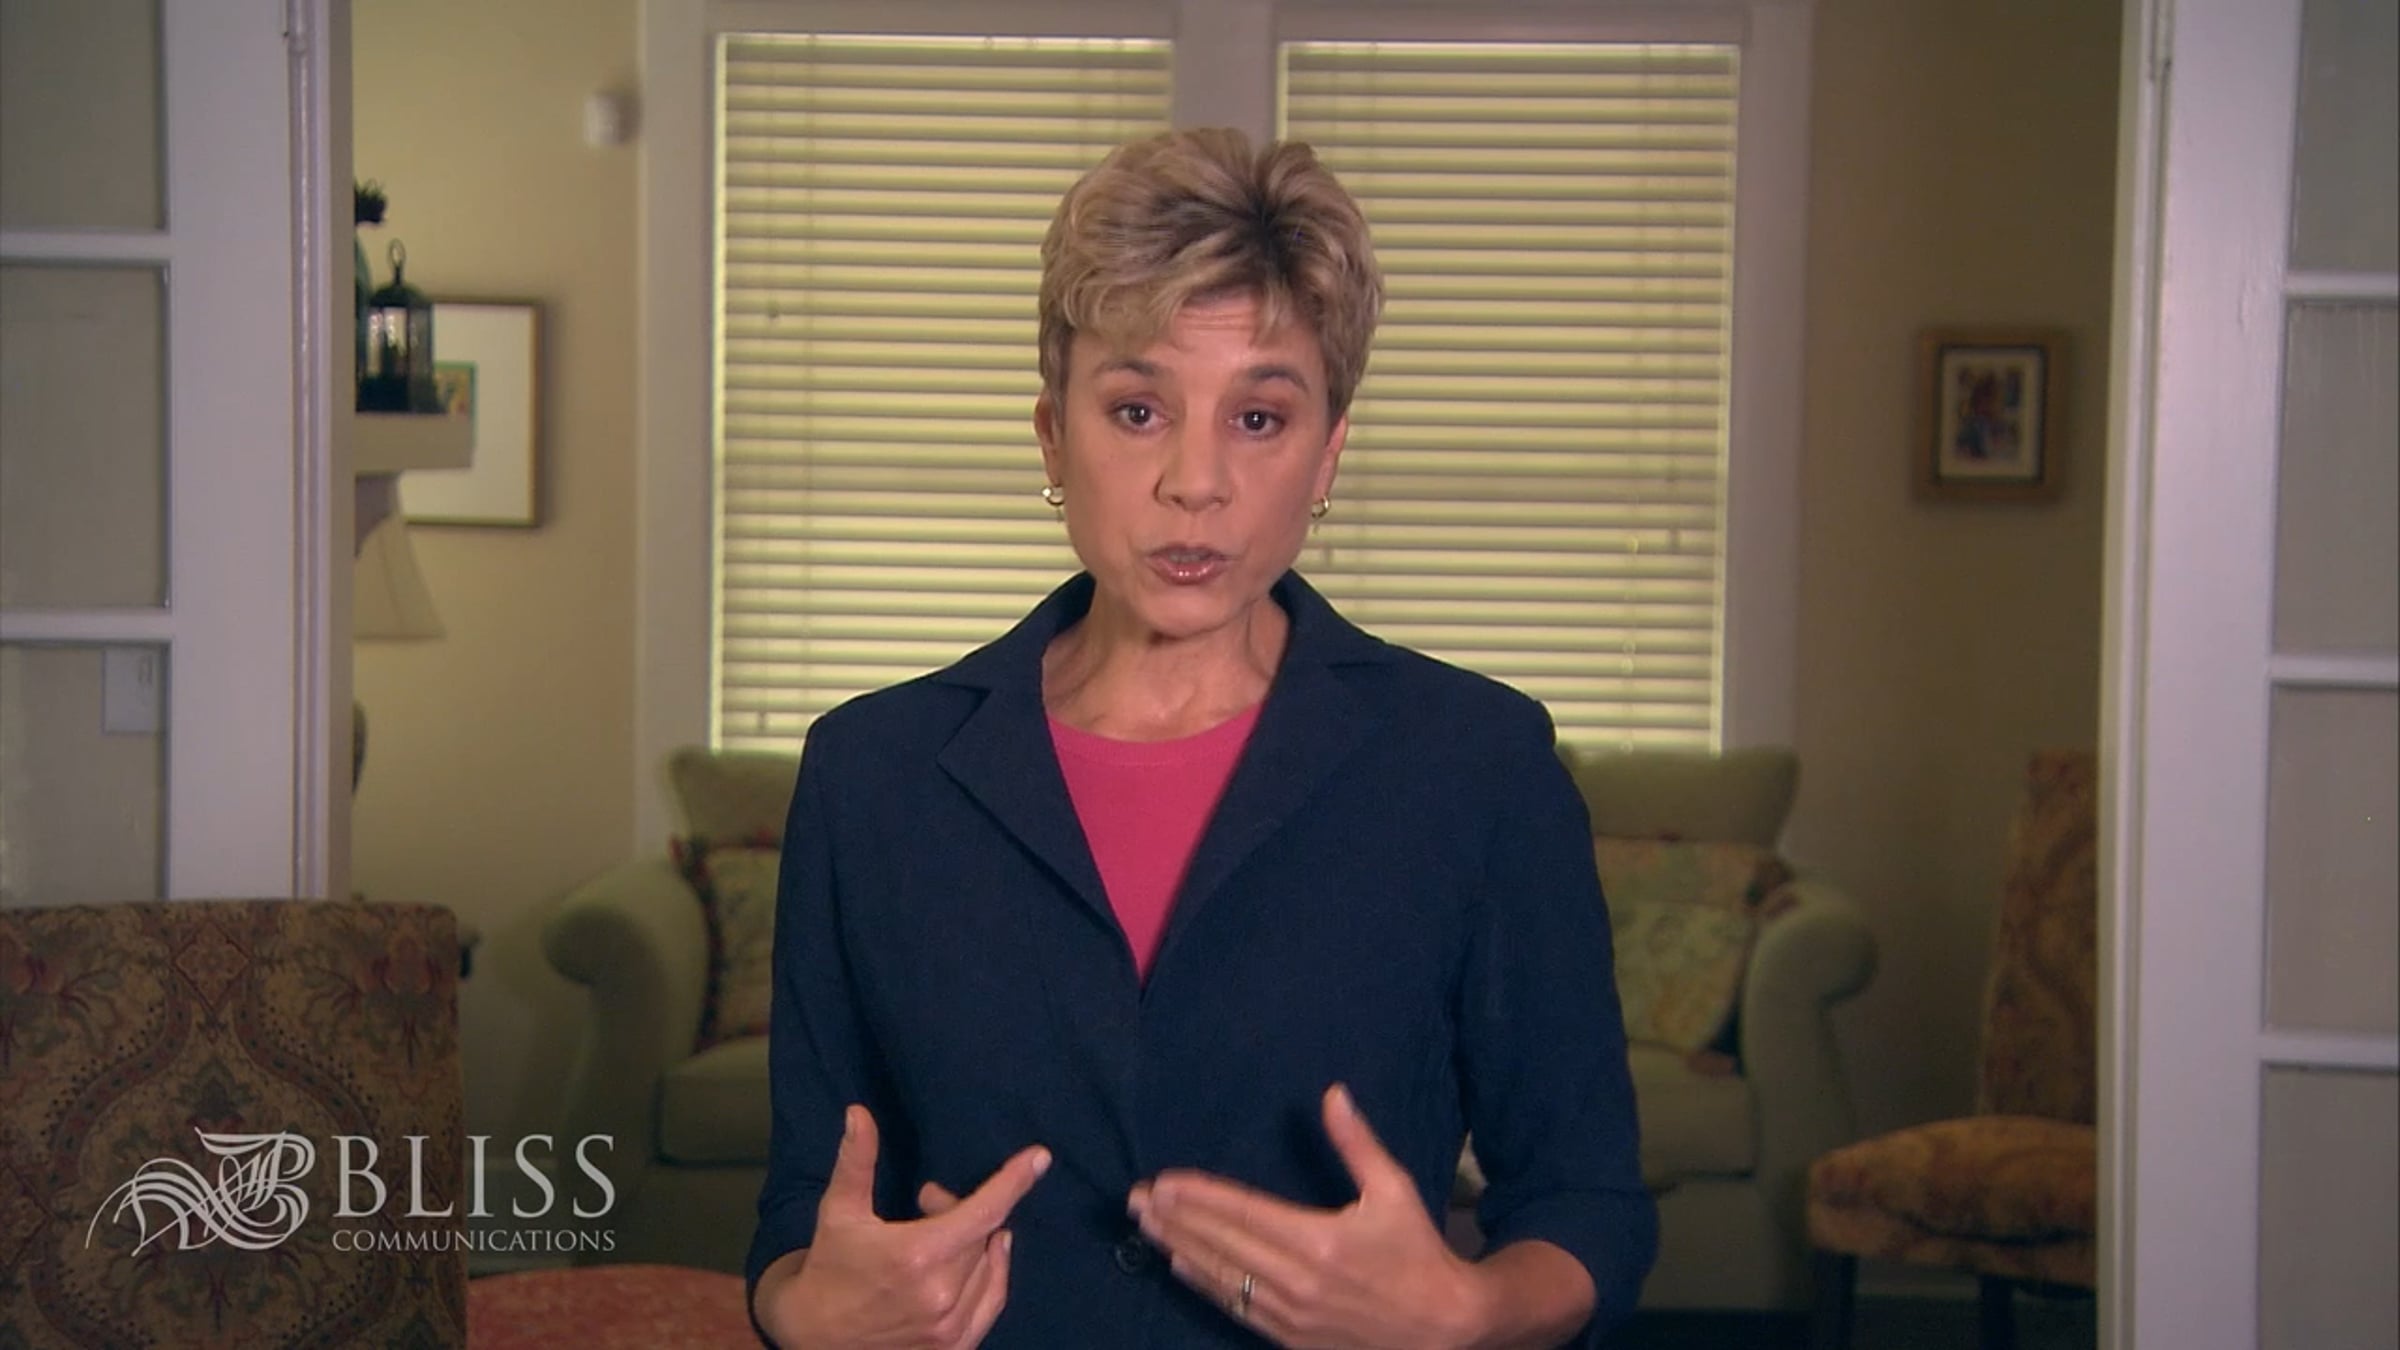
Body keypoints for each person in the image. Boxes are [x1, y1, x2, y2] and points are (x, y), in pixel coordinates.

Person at [746, 127, 1656, 1349]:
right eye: (1137, 409)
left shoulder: (1477, 765)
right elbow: (801, 1217)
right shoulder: (872, 775)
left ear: (1329, 452)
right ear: (1052, 436)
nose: (1196, 480)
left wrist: (1471, 1309)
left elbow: (1588, 1204)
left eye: (1260, 418)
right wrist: (805, 1311)